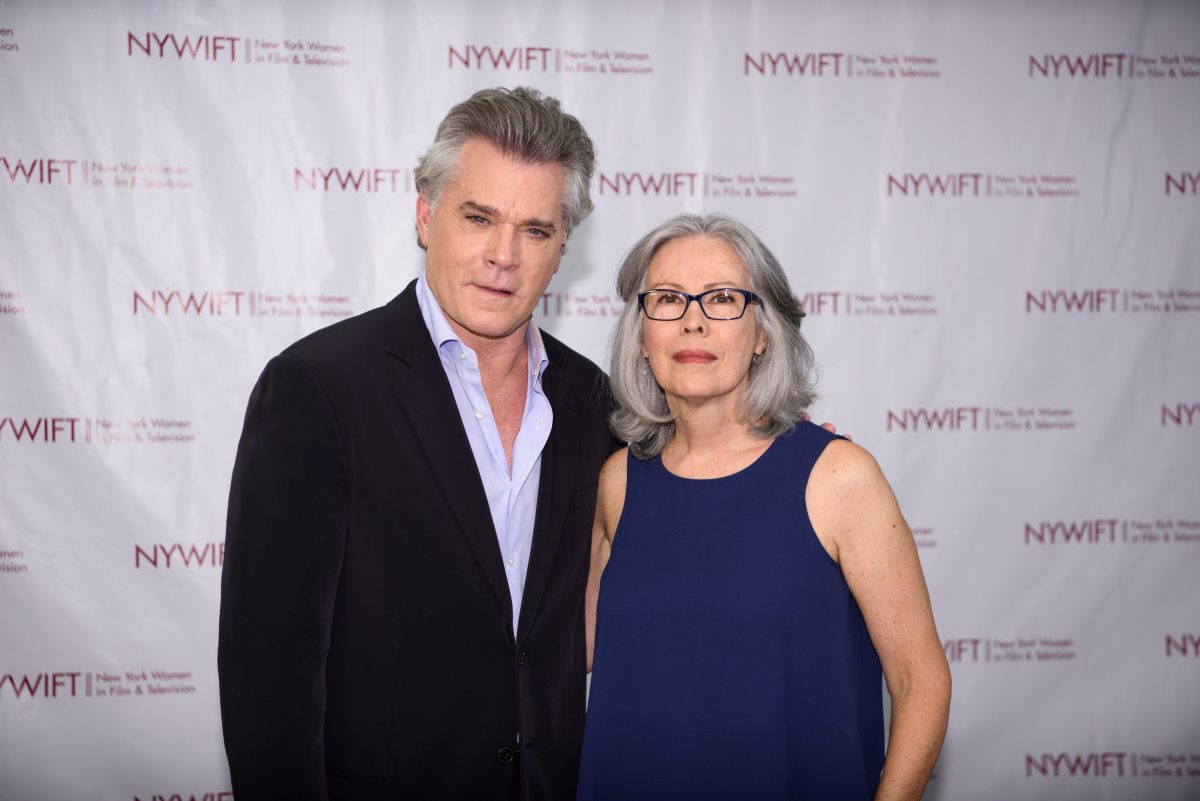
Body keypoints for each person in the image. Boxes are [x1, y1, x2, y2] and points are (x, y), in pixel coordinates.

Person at [218, 87, 618, 801]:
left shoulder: (592, 400)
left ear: (563, 247)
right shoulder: (318, 389)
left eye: (534, 229)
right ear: (426, 214)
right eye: (478, 217)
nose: (503, 255)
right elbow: (269, 669)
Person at [579, 214, 951, 801]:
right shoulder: (618, 482)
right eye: (669, 299)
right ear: (641, 335)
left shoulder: (838, 478)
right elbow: (572, 653)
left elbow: (920, 682)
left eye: (723, 298)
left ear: (762, 334)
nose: (693, 320)